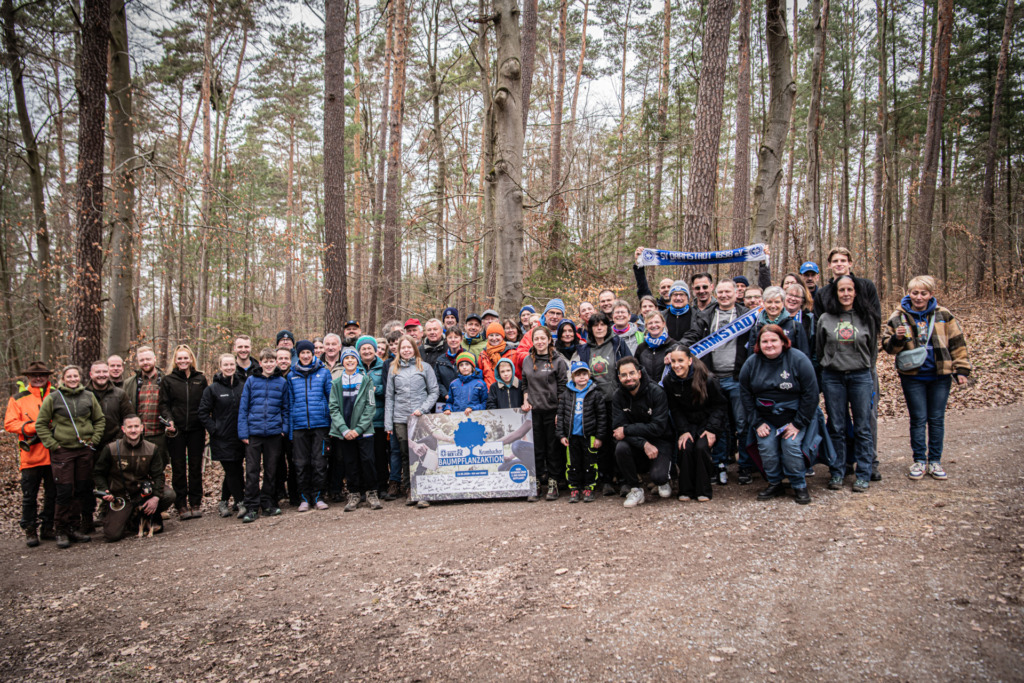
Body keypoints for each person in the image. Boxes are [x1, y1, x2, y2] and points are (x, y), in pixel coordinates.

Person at [882, 275, 970, 481]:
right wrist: (898, 338)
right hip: (912, 376)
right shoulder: (898, 316)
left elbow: (957, 342)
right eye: (915, 293)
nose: (919, 297)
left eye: (923, 293)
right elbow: (888, 347)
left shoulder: (943, 315)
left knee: (937, 419)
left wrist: (962, 369)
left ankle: (935, 461)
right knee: (918, 419)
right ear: (909, 293)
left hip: (940, 374)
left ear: (931, 294)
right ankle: (920, 460)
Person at [739, 325, 819, 505]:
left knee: (790, 445)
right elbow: (744, 394)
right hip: (765, 418)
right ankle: (775, 483)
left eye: (773, 340)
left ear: (783, 341)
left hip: (795, 416)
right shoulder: (751, 363)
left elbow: (811, 394)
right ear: (758, 344)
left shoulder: (798, 359)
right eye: (764, 341)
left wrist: (798, 423)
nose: (769, 345)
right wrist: (757, 422)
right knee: (766, 446)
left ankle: (798, 484)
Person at [683, 279, 752, 485]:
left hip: (737, 376)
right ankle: (719, 463)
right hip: (713, 378)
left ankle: (745, 466)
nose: (723, 295)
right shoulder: (706, 314)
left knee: (742, 423)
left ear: (736, 292)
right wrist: (679, 348)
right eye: (720, 292)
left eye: (727, 292)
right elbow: (693, 335)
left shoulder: (745, 316)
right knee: (718, 424)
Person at [817, 275, 878, 493]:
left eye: (849, 290)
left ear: (856, 292)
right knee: (837, 426)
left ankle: (863, 473)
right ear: (835, 293)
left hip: (860, 377)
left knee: (862, 427)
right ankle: (838, 471)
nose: (845, 294)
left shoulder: (867, 317)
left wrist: (866, 372)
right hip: (833, 377)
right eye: (841, 290)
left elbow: (872, 351)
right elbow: (820, 349)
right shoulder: (825, 318)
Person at [34, 365, 105, 548]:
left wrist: (94, 440)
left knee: (81, 489)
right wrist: (53, 444)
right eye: (69, 376)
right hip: (62, 451)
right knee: (65, 491)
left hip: (84, 450)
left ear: (80, 378)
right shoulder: (54, 398)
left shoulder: (88, 396)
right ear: (63, 378)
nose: (73, 379)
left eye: (75, 376)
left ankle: (74, 527)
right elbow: (41, 424)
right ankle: (61, 529)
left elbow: (99, 419)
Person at [93, 415, 175, 541]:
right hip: (121, 497)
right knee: (112, 535)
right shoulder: (111, 449)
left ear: (142, 428)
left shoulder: (152, 448)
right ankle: (129, 519)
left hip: (142, 494)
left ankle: (146, 516)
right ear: (123, 429)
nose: (133, 430)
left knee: (169, 494)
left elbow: (158, 475)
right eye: (129, 427)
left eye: (136, 426)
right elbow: (98, 473)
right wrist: (105, 491)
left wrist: (156, 497)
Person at [662, 346, 727, 502]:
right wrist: (683, 430)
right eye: (673, 361)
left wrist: (711, 429)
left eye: (681, 361)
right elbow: (675, 409)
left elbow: (720, 406)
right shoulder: (669, 381)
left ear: (690, 361)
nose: (676, 365)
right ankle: (686, 489)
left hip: (708, 422)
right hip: (687, 423)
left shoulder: (708, 379)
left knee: (701, 447)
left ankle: (703, 490)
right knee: (685, 447)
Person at [575, 312, 628, 495]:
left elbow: (629, 365)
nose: (599, 328)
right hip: (595, 402)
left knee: (619, 439)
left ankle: (623, 479)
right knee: (601, 441)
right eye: (595, 325)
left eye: (602, 324)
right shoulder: (584, 349)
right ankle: (606, 479)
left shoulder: (618, 344)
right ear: (590, 328)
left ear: (608, 326)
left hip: (616, 400)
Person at [385, 336, 439, 508]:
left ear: (415, 349)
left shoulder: (425, 367)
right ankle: (409, 489)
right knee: (405, 454)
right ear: (399, 350)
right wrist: (388, 424)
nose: (406, 350)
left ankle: (423, 487)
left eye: (410, 347)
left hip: (420, 418)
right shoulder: (393, 368)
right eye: (403, 348)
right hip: (400, 419)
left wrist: (422, 409)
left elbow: (434, 392)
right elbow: (389, 397)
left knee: (425, 450)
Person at [6, 361, 56, 546]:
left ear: (47, 377)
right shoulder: (18, 398)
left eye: (42, 375)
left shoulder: (56, 394)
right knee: (29, 496)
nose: (38, 378)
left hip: (54, 454)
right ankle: (30, 529)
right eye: (35, 375)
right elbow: (10, 424)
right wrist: (34, 427)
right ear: (28, 377)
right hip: (31, 456)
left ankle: (48, 527)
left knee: (53, 494)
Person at [611, 357, 672, 508]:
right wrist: (644, 443)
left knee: (660, 479)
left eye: (632, 373)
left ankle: (664, 480)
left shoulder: (656, 392)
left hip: (660, 440)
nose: (628, 378)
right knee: (620, 447)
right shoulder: (618, 396)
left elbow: (658, 427)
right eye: (624, 375)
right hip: (636, 443)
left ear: (639, 373)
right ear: (619, 377)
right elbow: (618, 430)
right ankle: (635, 489)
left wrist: (627, 429)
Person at [238, 349, 289, 523]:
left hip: (274, 433)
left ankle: (268, 502)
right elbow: (243, 408)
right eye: (265, 361)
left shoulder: (281, 382)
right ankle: (251, 506)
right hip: (254, 433)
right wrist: (243, 432)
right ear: (260, 363)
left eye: (271, 361)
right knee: (252, 471)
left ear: (275, 363)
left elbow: (286, 408)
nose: (268, 364)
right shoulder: (251, 381)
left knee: (271, 470)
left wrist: (284, 428)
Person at [520, 326, 570, 501]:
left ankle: (554, 481)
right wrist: (526, 400)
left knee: (553, 449)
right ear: (532, 341)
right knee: (537, 449)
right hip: (534, 412)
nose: (540, 342)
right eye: (536, 339)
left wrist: (560, 411)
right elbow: (524, 383)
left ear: (549, 339)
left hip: (552, 411)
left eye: (543, 338)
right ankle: (538, 482)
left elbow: (563, 387)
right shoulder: (527, 360)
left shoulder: (558, 361)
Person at [329, 348, 382, 512]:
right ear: (342, 362)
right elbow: (334, 407)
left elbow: (370, 406)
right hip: (345, 433)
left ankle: (372, 492)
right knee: (350, 463)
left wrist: (359, 428)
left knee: (367, 461)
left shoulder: (366, 381)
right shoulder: (336, 383)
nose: (350, 361)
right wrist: (344, 429)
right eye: (347, 358)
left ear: (357, 361)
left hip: (364, 431)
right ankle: (354, 493)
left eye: (353, 358)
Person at [159, 345, 208, 519]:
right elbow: (164, 404)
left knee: (195, 467)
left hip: (196, 429)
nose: (183, 361)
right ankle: (181, 505)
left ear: (191, 359)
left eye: (185, 358)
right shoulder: (168, 380)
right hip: (176, 430)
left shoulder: (200, 379)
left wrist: (206, 422)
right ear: (175, 360)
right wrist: (169, 420)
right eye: (179, 358)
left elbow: (205, 403)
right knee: (179, 468)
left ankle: (195, 502)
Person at [84, 359, 133, 531]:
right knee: (87, 482)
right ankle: (87, 519)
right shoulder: (83, 394)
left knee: (114, 481)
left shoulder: (119, 394)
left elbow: (128, 418)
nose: (102, 375)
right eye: (98, 372)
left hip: (113, 444)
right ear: (91, 374)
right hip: (89, 446)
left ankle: (109, 513)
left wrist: (118, 442)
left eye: (104, 372)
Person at [287, 340, 334, 511]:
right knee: (300, 464)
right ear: (298, 355)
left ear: (313, 353)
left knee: (319, 463)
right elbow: (290, 404)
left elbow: (331, 399)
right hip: (299, 426)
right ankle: (304, 498)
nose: (306, 356)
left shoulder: (323, 373)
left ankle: (318, 496)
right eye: (302, 353)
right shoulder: (291, 375)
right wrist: (291, 431)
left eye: (308, 352)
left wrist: (331, 424)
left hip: (320, 425)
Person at [198, 353, 247, 517]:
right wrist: (215, 429)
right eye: (226, 365)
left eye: (232, 364)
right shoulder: (212, 389)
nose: (229, 367)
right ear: (220, 367)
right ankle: (241, 503)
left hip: (239, 436)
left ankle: (223, 502)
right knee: (232, 470)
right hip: (222, 438)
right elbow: (203, 413)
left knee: (236, 469)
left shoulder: (242, 386)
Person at [557, 362, 607, 503]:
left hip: (589, 436)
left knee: (590, 463)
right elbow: (560, 415)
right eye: (578, 375)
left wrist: (599, 437)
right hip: (571, 437)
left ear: (589, 375)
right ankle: (574, 488)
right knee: (572, 463)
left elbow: (602, 417)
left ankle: (588, 487)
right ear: (572, 377)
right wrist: (561, 435)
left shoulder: (595, 393)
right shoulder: (566, 394)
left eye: (584, 374)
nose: (581, 377)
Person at [357, 336, 390, 499]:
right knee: (364, 457)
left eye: (370, 348)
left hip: (379, 418)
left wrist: (372, 389)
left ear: (375, 349)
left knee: (380, 455)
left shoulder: (383, 365)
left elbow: (388, 387)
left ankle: (382, 487)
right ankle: (366, 488)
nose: (367, 351)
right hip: (362, 421)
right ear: (359, 351)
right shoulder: (355, 366)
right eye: (363, 349)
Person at [126, 347, 167, 472]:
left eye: (148, 359)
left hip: (159, 435)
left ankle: (158, 491)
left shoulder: (166, 380)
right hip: (137, 436)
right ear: (138, 362)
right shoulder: (129, 383)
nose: (145, 362)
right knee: (136, 469)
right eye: (142, 360)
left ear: (154, 359)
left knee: (158, 470)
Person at [748, 286, 811, 358]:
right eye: (769, 302)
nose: (773, 306)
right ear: (763, 303)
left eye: (777, 302)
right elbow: (751, 356)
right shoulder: (756, 328)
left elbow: (804, 355)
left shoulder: (795, 326)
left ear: (783, 303)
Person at [634, 310, 676, 382]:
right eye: (650, 323)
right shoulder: (641, 348)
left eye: (657, 322)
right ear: (646, 326)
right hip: (648, 390)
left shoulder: (673, 345)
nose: (653, 325)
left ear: (663, 324)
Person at [479, 322, 517, 386]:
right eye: (491, 335)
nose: (494, 338)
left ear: (502, 336)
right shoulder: (483, 355)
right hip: (489, 392)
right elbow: (480, 377)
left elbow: (517, 375)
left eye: (497, 335)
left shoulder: (512, 353)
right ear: (487, 337)